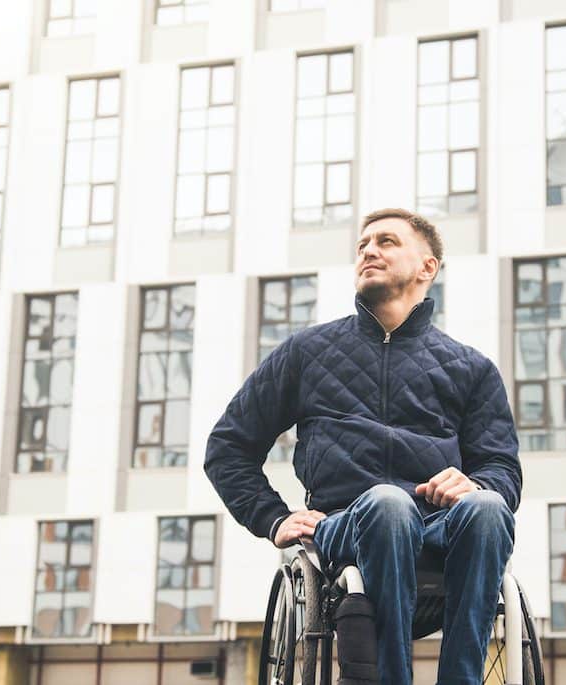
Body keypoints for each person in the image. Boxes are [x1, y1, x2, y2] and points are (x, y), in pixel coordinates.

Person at [205, 208, 522, 684]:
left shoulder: (470, 369)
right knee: (389, 503)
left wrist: (474, 483)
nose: (369, 250)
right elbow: (228, 447)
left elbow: (503, 470)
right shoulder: (307, 352)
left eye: (387, 242)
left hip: (438, 530)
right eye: (363, 245)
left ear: (427, 268)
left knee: (490, 508)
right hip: (346, 527)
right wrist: (273, 518)